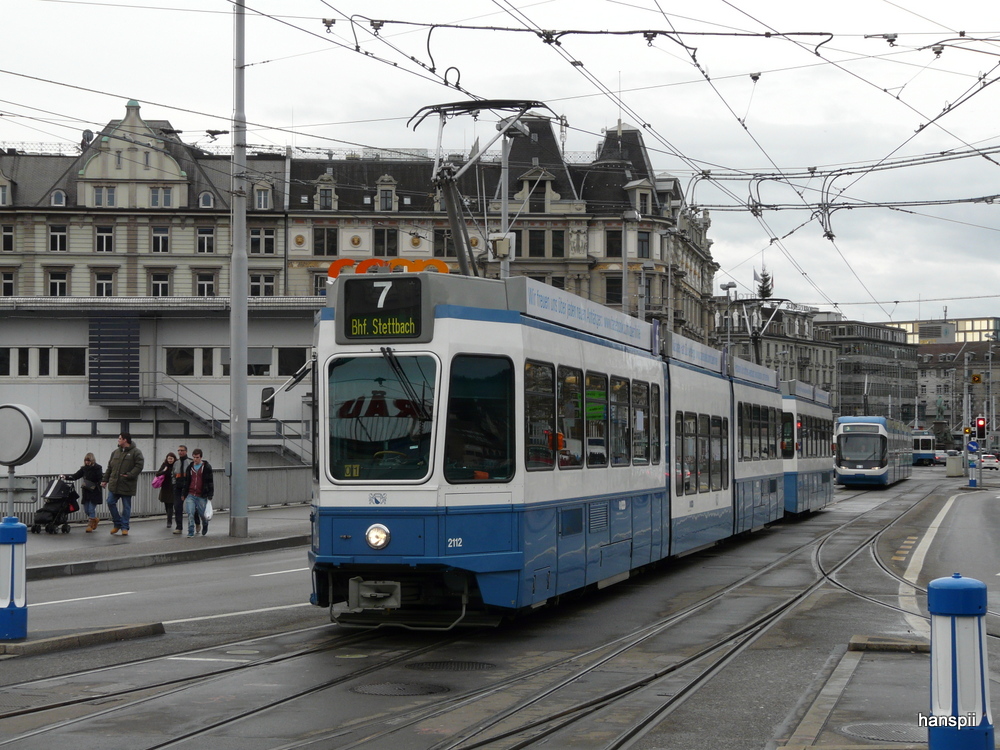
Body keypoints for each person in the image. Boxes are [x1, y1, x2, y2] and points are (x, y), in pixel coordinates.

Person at [101, 432, 144, 536]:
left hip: (127, 484)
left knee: (126, 506)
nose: (118, 440)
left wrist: (130, 475)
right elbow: (110, 467)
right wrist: (105, 480)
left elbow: (139, 466)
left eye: (120, 438)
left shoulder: (136, 452)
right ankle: (117, 523)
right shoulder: (115, 452)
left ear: (125, 440)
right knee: (110, 502)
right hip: (114, 483)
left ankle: (125, 527)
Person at [63, 453, 103, 532]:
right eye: (86, 460)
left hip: (94, 491)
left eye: (88, 460)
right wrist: (66, 477)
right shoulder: (84, 469)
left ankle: (90, 525)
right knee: (86, 510)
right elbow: (75, 476)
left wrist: (101, 483)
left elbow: (100, 478)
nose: (87, 462)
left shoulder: (98, 468)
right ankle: (94, 519)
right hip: (86, 491)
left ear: (92, 460)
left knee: (91, 509)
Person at [184, 448, 214, 537]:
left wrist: (210, 494)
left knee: (202, 514)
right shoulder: (190, 467)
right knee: (190, 512)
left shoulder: (206, 467)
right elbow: (187, 481)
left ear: (201, 457)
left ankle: (205, 524)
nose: (195, 459)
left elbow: (210, 481)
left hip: (202, 494)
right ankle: (190, 531)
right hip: (191, 493)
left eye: (197, 457)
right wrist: (184, 493)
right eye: (194, 457)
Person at [172, 444, 194, 535]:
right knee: (177, 507)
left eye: (182, 450)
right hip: (178, 487)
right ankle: (179, 527)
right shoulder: (176, 463)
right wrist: (174, 484)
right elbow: (173, 474)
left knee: (192, 508)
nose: (180, 452)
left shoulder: (190, 462)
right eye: (178, 450)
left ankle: (195, 524)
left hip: (188, 487)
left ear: (186, 451)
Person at [156, 452, 178, 530]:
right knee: (166, 504)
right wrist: (164, 471)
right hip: (165, 488)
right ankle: (169, 518)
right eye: (168, 458)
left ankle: (169, 521)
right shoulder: (165, 465)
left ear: (174, 459)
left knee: (170, 505)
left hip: (173, 487)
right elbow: (157, 474)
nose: (170, 460)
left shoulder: (176, 465)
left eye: (171, 458)